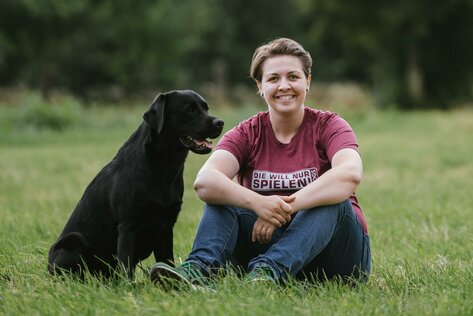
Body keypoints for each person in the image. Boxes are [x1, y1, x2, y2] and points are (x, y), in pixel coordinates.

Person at [150, 38, 371, 289]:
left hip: (337, 258)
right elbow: (205, 181)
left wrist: (280, 210)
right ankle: (198, 271)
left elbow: (349, 174)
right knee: (222, 196)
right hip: (267, 242)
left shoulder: (330, 126)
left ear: (307, 82)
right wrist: (257, 202)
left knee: (333, 200)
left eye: (293, 77)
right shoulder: (246, 133)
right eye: (274, 78)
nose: (284, 86)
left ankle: (269, 271)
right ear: (260, 86)